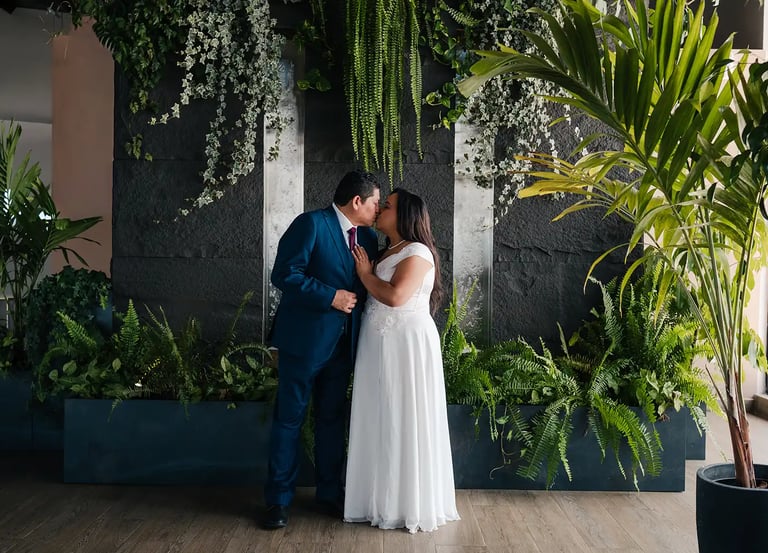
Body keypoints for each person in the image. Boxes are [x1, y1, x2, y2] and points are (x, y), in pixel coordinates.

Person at [262, 170, 381, 530]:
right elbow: (284, 274)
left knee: (332, 421)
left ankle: (329, 494)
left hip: (344, 347)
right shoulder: (310, 224)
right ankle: (278, 501)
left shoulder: (370, 238)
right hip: (303, 343)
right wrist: (330, 296)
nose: (378, 210)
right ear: (357, 201)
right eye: (375, 203)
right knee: (289, 420)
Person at [344, 188, 460, 533]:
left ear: (405, 215)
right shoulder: (386, 251)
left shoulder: (417, 251)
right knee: (378, 415)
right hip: (376, 342)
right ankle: (375, 501)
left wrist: (365, 275)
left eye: (388, 206)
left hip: (406, 344)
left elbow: (396, 296)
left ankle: (406, 504)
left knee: (403, 415)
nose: (380, 209)